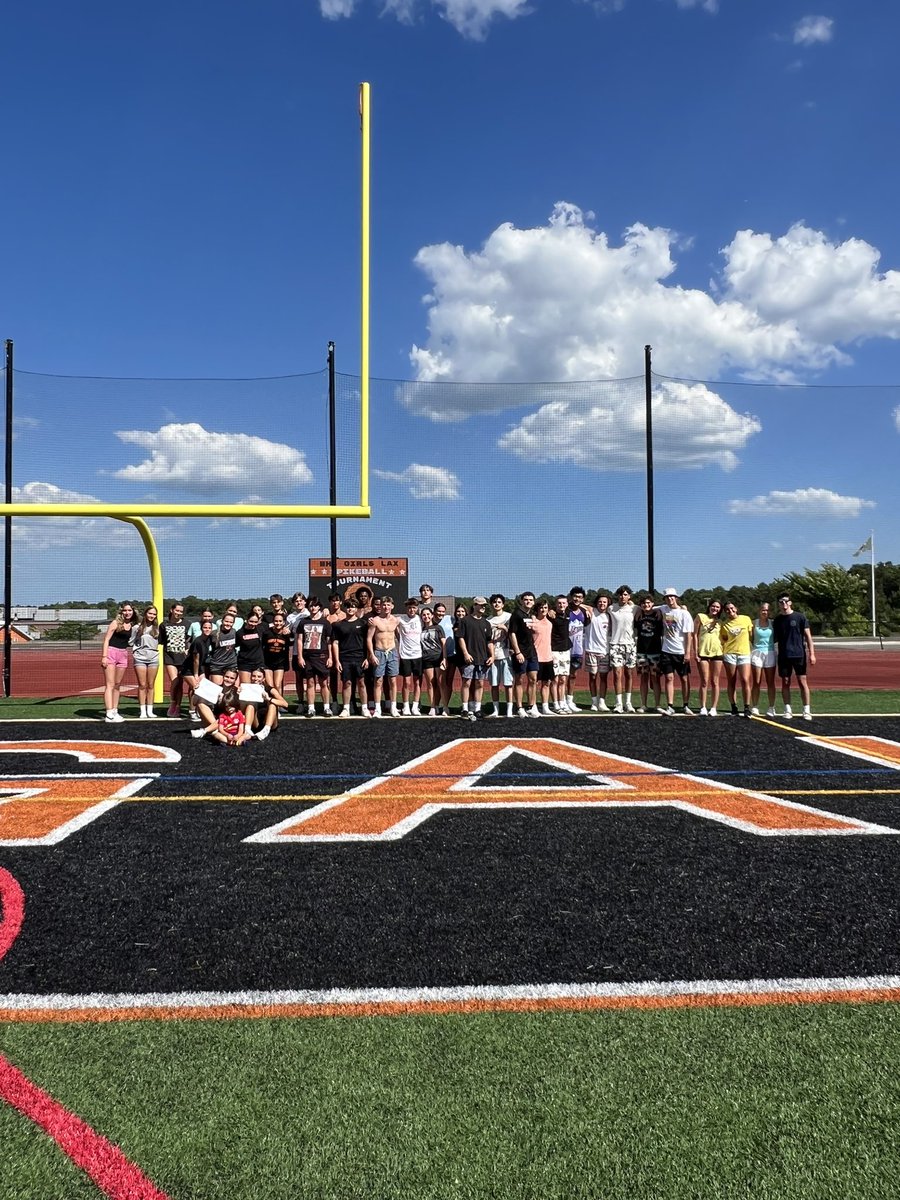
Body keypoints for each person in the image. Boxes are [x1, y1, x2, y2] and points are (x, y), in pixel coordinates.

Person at [773, 592, 816, 720]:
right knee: (785, 682)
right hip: (784, 655)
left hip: (799, 654)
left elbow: (808, 637)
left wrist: (812, 654)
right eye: (781, 602)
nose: (784, 604)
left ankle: (806, 710)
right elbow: (774, 638)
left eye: (786, 601)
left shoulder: (800, 617)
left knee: (802, 682)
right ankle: (787, 709)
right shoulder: (777, 620)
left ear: (790, 602)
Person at [330, 594, 370, 717]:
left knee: (361, 683)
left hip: (360, 658)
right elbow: (335, 643)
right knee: (347, 683)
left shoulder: (363, 624)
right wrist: (337, 661)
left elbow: (367, 642)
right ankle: (346, 708)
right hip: (345, 658)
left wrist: (367, 658)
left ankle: (364, 708)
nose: (350, 609)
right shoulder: (338, 625)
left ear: (356, 609)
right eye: (348, 607)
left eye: (353, 607)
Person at [656, 588, 694, 715]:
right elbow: (648, 608)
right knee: (669, 678)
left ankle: (685, 705)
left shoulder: (684, 614)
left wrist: (688, 652)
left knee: (684, 679)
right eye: (667, 597)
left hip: (681, 651)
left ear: (676, 598)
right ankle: (670, 706)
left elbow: (688, 635)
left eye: (672, 597)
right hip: (666, 650)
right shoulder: (663, 609)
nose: (670, 599)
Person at [456, 597, 494, 720]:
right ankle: (465, 709)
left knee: (479, 683)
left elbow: (489, 641)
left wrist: (492, 655)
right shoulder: (465, 621)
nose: (483, 607)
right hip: (469, 658)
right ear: (475, 605)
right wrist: (466, 653)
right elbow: (461, 638)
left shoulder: (486, 623)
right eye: (481, 605)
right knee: (466, 682)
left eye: (484, 606)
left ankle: (477, 709)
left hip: (482, 658)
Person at [295, 596, 333, 716]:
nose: (313, 608)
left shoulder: (325, 623)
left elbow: (329, 642)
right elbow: (300, 640)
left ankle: (326, 707)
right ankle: (311, 708)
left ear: (319, 607)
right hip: (308, 657)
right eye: (311, 605)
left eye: (315, 605)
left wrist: (330, 657)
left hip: (322, 656)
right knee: (310, 683)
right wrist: (300, 656)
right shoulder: (303, 622)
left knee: (323, 683)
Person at [100, 602, 137, 722]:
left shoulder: (132, 625)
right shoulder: (116, 623)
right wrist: (104, 656)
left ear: (133, 611)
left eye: (130, 610)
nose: (127, 613)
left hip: (123, 654)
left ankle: (115, 710)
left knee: (117, 684)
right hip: (111, 652)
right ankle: (109, 712)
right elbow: (106, 639)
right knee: (109, 684)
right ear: (121, 612)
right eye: (125, 610)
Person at [367, 595, 401, 717]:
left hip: (392, 652)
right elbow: (369, 638)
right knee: (378, 680)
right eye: (384, 605)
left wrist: (400, 652)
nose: (386, 607)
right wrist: (371, 654)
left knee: (392, 680)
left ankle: (393, 707)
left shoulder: (396, 620)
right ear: (380, 606)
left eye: (388, 605)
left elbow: (399, 637)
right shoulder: (375, 620)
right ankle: (377, 708)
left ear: (392, 606)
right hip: (379, 652)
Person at [719, 600, 754, 718]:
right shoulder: (724, 624)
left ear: (736, 608)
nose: (730, 611)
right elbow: (723, 639)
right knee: (731, 681)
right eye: (727, 610)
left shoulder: (746, 619)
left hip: (744, 653)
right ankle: (733, 707)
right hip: (730, 654)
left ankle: (747, 707)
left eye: (732, 608)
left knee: (745, 680)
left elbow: (751, 635)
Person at [508, 592, 539, 718]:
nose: (528, 601)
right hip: (521, 652)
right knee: (519, 679)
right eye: (525, 599)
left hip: (531, 651)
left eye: (530, 600)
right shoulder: (516, 615)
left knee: (533, 679)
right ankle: (519, 707)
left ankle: (531, 706)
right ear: (521, 601)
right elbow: (512, 634)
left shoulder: (531, 615)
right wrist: (517, 652)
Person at [130, 604, 160, 719]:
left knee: (151, 685)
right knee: (142, 685)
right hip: (140, 657)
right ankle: (142, 710)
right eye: (150, 613)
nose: (152, 616)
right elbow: (130, 641)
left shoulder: (157, 628)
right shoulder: (137, 627)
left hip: (153, 657)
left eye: (154, 614)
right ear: (145, 614)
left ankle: (150, 710)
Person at [583, 592, 613, 713]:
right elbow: (578, 603)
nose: (602, 604)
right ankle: (594, 702)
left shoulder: (610, 615)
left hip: (605, 651)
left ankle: (602, 702)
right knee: (593, 676)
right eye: (600, 601)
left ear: (608, 604)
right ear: (596, 603)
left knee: (604, 677)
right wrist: (587, 607)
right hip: (591, 650)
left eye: (604, 602)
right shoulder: (591, 612)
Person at [694, 599, 724, 717]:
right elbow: (694, 635)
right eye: (713, 606)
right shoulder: (700, 617)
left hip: (717, 653)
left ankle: (713, 708)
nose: (715, 609)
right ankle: (703, 707)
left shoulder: (720, 622)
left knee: (715, 681)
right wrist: (695, 652)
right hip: (703, 653)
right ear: (709, 606)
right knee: (704, 681)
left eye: (717, 607)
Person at [634, 594, 663, 712]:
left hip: (655, 651)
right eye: (644, 603)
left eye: (649, 603)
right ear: (641, 605)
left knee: (655, 678)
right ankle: (643, 705)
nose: (646, 605)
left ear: (652, 604)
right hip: (641, 651)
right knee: (643, 678)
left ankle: (658, 705)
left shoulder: (658, 615)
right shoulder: (638, 615)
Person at [159, 603, 189, 718]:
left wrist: (187, 649)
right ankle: (172, 703)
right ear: (172, 610)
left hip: (183, 659)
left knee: (180, 683)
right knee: (175, 681)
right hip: (170, 657)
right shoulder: (164, 625)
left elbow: (189, 640)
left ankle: (178, 706)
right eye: (177, 610)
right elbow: (161, 640)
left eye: (181, 611)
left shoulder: (187, 624)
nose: (179, 613)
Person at [241, 667, 288, 740]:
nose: (256, 678)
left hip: (270, 721)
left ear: (263, 679)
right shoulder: (246, 688)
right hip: (255, 722)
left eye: (259, 676)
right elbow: (240, 708)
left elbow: (285, 704)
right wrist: (238, 694)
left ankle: (266, 730)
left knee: (272, 705)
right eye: (254, 676)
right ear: (251, 677)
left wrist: (269, 699)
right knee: (250, 705)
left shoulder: (270, 689)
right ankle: (247, 730)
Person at [396, 597, 424, 715]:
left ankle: (415, 706)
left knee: (417, 682)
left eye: (414, 607)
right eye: (409, 608)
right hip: (405, 655)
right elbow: (388, 622)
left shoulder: (420, 619)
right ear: (406, 608)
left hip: (418, 655)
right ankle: (406, 706)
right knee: (406, 682)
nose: (412, 610)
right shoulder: (400, 619)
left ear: (417, 609)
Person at [487, 593, 513, 718]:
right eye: (494, 602)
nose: (496, 604)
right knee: (494, 684)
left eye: (499, 602)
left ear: (503, 604)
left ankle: (509, 710)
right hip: (494, 655)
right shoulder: (488, 620)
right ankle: (495, 710)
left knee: (508, 684)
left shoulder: (509, 617)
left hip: (507, 654)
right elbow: (488, 640)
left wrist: (505, 628)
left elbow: (513, 635)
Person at [750, 601, 777, 717]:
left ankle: (771, 707)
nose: (764, 612)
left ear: (769, 611)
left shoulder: (773, 623)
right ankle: (754, 706)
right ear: (759, 610)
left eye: (766, 610)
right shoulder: (753, 623)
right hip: (756, 653)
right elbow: (750, 637)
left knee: (770, 682)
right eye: (762, 609)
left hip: (770, 653)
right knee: (756, 681)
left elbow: (776, 637)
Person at [565, 587, 589, 713]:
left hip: (577, 650)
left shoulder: (584, 613)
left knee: (573, 675)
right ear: (570, 597)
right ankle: (560, 701)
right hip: (563, 649)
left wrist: (587, 608)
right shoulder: (565, 610)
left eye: (580, 597)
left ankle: (570, 700)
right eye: (575, 596)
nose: (577, 599)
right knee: (561, 676)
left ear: (583, 599)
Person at [419, 606, 446, 716]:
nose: (426, 616)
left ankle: (444, 707)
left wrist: (444, 659)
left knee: (440, 682)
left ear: (432, 615)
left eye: (428, 614)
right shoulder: (421, 629)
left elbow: (444, 644)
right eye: (424, 615)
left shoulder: (438, 628)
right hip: (426, 659)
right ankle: (433, 706)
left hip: (438, 658)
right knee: (430, 683)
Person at [549, 595, 573, 714]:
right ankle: (555, 704)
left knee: (563, 679)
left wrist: (587, 608)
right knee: (555, 679)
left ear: (567, 604)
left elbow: (580, 604)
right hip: (554, 651)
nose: (561, 605)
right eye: (559, 603)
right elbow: (536, 612)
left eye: (564, 603)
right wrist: (549, 610)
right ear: (555, 604)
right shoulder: (551, 616)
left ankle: (562, 703)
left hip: (566, 650)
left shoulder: (568, 613)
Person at [261, 610, 291, 695]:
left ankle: (279, 706)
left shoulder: (286, 634)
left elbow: (291, 643)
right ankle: (270, 705)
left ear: (284, 622)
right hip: (267, 663)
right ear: (273, 622)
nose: (278, 623)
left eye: (280, 621)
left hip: (280, 663)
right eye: (276, 621)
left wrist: (289, 634)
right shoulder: (267, 633)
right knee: (270, 686)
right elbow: (261, 646)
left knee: (277, 685)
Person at [207, 610, 239, 684]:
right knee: (217, 689)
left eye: (231, 622)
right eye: (226, 621)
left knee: (233, 689)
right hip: (217, 665)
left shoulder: (234, 632)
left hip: (231, 664)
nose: (228, 624)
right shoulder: (214, 634)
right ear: (222, 621)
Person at [236, 610, 266, 683]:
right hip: (245, 663)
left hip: (258, 663)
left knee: (258, 688)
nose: (253, 624)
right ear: (246, 620)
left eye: (255, 622)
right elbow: (234, 645)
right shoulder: (239, 633)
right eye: (251, 621)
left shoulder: (261, 630)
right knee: (246, 687)